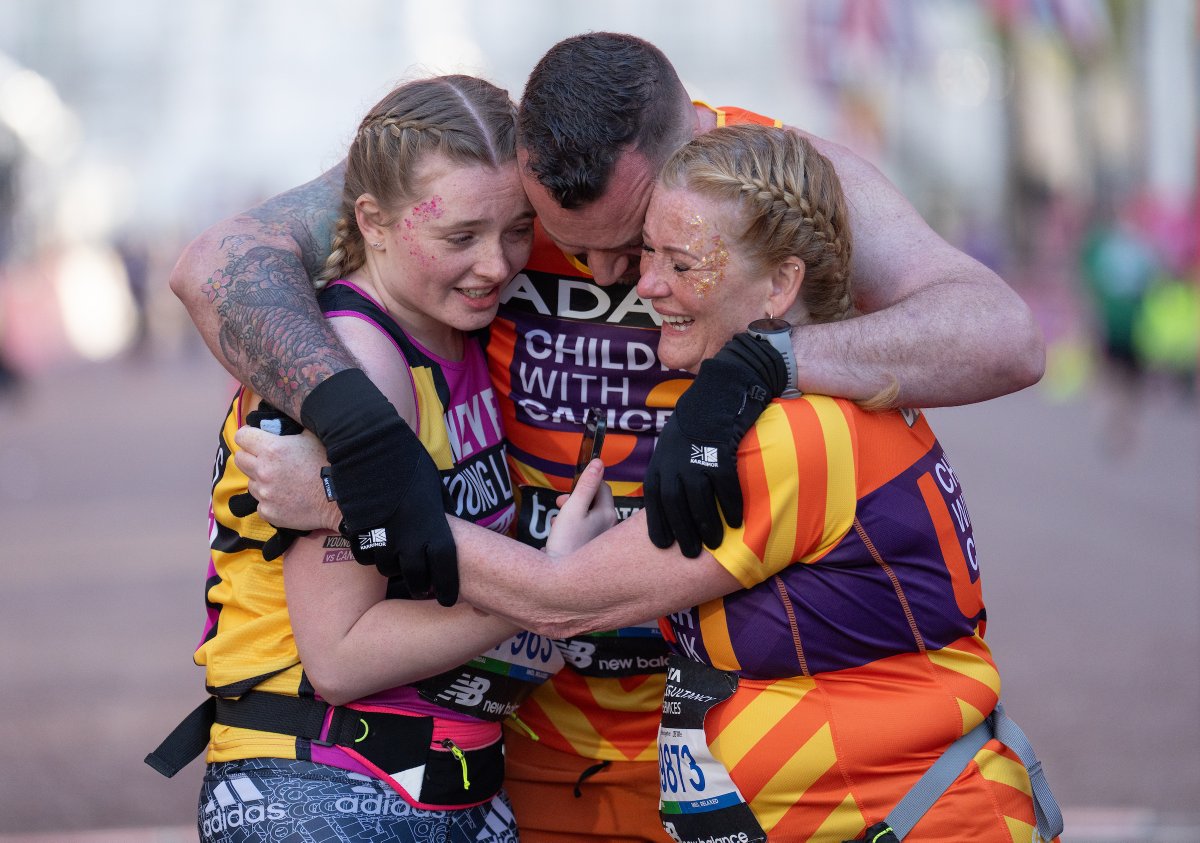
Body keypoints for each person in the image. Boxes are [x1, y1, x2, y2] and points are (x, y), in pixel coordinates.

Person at [170, 33, 1046, 842]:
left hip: (719, 722)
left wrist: (768, 361)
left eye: (639, 244)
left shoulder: (764, 179)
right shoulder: (509, 168)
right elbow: (218, 264)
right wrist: (363, 438)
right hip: (540, 731)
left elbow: (1002, 334)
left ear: (686, 154)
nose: (608, 274)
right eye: (557, 238)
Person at [147, 75, 558, 843]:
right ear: (371, 220)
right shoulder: (363, 356)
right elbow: (339, 655)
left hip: (438, 785)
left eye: (517, 229)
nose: (498, 265)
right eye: (460, 236)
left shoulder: (453, 329)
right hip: (325, 785)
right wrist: (550, 596)